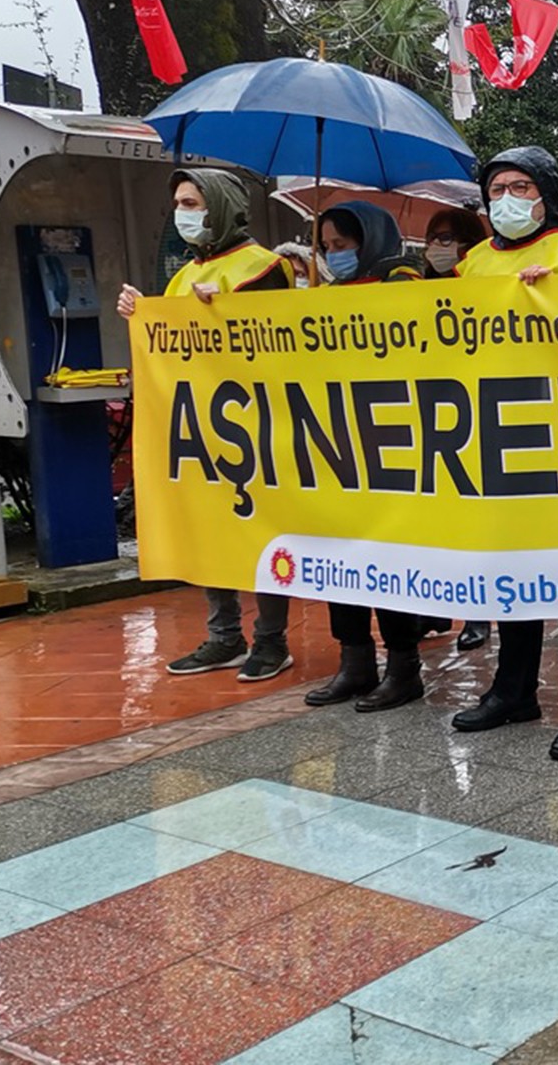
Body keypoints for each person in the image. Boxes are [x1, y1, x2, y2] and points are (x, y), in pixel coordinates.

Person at [445, 147, 558, 761]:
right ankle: (512, 690)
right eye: (497, 190)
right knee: (509, 571)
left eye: (521, 187)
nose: (508, 199)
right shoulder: (469, 266)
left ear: (546, 193)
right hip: (496, 436)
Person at [117, 168, 295, 682]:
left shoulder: (264, 268)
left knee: (262, 533)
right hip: (202, 427)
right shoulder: (181, 276)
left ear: (219, 206)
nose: (184, 213)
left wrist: (223, 315)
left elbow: (280, 344)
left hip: (259, 424)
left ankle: (271, 640)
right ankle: (223, 637)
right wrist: (140, 314)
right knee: (212, 531)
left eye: (193, 202)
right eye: (179, 202)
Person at [301, 200, 431, 713]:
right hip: (338, 448)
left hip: (394, 448)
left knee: (388, 559)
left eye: (343, 246)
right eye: (326, 248)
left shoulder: (402, 282)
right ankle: (354, 664)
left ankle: (404, 668)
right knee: (341, 560)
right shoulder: (326, 294)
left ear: (370, 239)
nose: (334, 256)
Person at [416, 198, 493, 654]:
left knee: (476, 523)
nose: (435, 248)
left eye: (446, 239)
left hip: (478, 418)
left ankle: (479, 614)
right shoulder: (415, 289)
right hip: (432, 417)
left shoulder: (486, 284)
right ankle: (438, 604)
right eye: (431, 239)